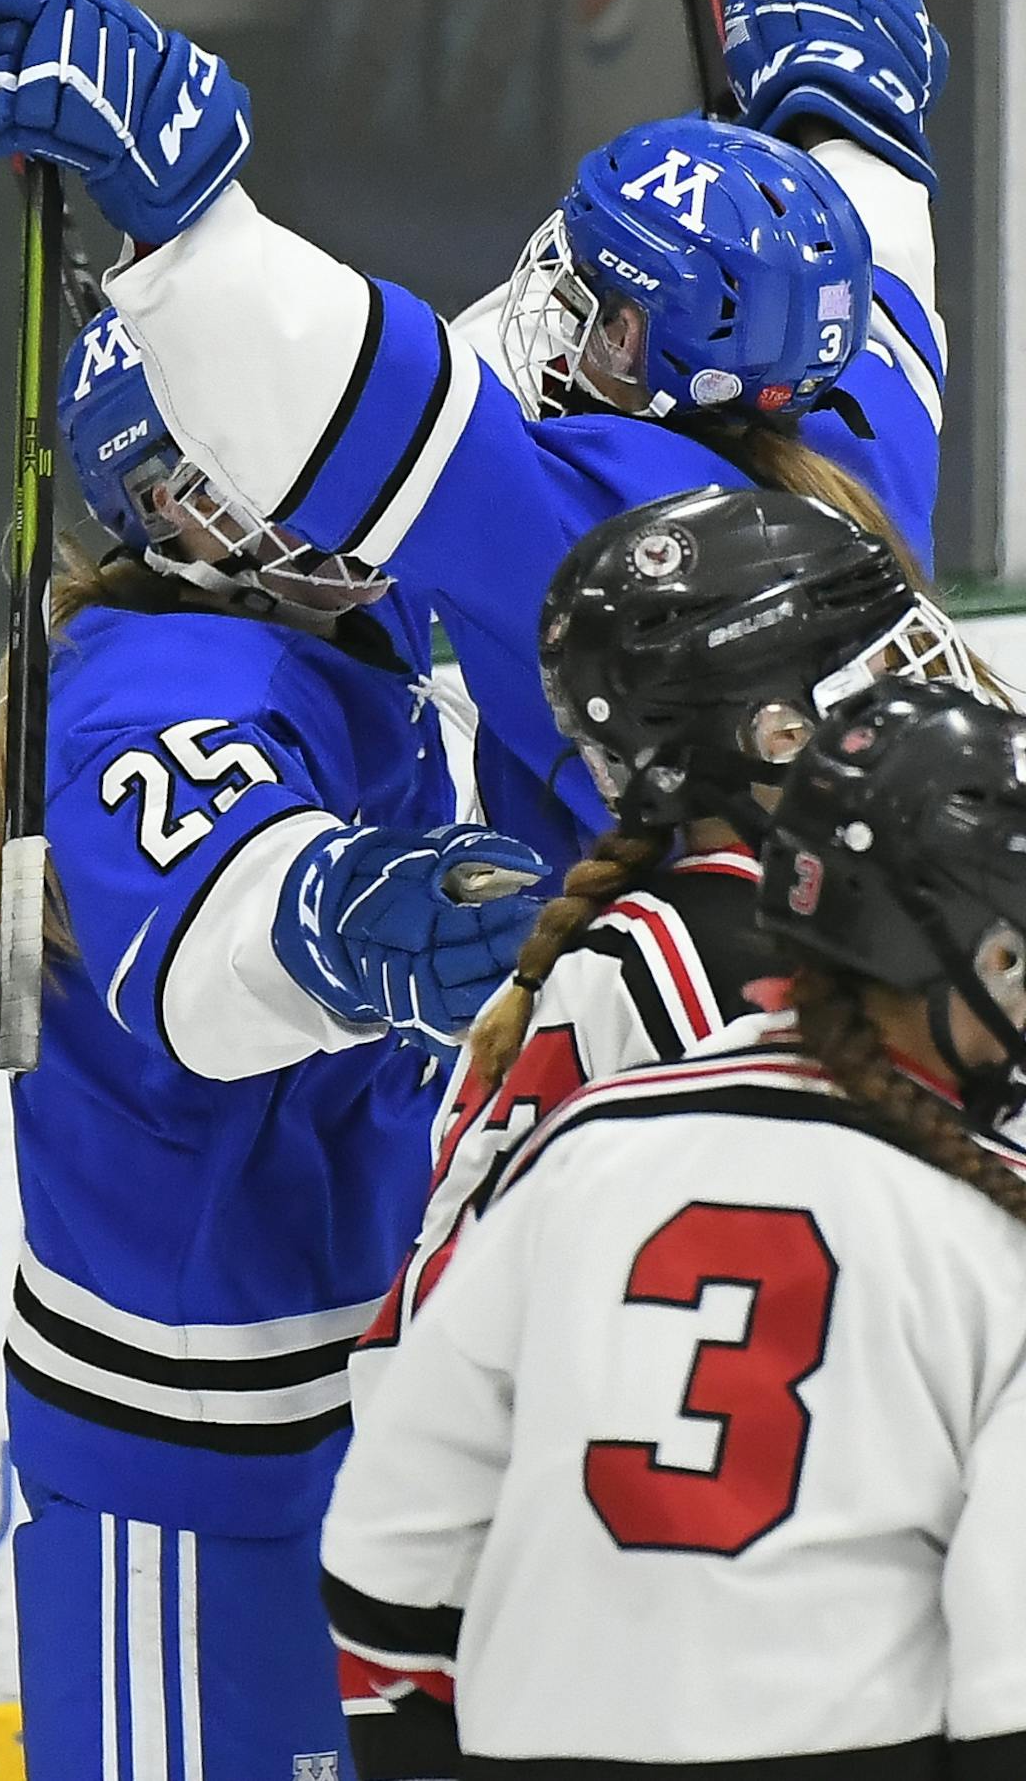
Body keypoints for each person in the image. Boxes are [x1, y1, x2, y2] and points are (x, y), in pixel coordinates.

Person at [0, 0, 950, 875]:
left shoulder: (620, 549)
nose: (547, 321)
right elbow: (883, 259)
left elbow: (348, 390)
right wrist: (844, 112)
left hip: (713, 1015)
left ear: (642, 351)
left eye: (585, 306)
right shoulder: (861, 426)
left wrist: (182, 212)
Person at [0, 305, 543, 1779]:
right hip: (186, 1448)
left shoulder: (351, 625)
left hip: (352, 1381)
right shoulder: (155, 695)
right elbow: (219, 953)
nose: (327, 465)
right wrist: (344, 913)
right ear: (171, 495)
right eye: (271, 438)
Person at [319, 679, 1026, 1777]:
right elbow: (1009, 1682)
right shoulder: (991, 1224)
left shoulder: (588, 1142)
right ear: (942, 953)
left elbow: (389, 1551)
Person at [353, 483, 1000, 1402]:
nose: (928, 702)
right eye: (878, 683)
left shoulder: (699, 931)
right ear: (779, 736)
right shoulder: (688, 961)